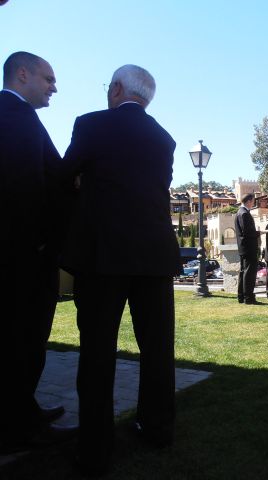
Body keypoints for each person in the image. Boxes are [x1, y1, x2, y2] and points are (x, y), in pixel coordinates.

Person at [60, 65, 180, 475]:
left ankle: (95, 447)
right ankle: (157, 427)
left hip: (103, 256)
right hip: (154, 256)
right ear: (146, 98)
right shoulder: (164, 138)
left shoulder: (91, 125)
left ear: (115, 90)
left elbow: (63, 176)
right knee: (157, 348)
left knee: (97, 351)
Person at [0, 51, 77, 453]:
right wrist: (42, 241)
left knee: (23, 343)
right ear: (23, 74)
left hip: (25, 254)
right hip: (22, 259)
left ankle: (22, 410)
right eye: (48, 79)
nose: (54, 87)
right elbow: (27, 186)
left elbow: (54, 173)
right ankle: (17, 428)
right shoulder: (11, 117)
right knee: (22, 343)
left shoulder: (21, 117)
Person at [235, 193, 262, 304]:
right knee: (249, 273)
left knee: (243, 272)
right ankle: (248, 297)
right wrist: (258, 233)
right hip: (248, 247)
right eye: (253, 201)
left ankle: (241, 296)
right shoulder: (244, 213)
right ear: (249, 201)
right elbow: (247, 232)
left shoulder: (239, 212)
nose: (253, 203)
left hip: (243, 247)